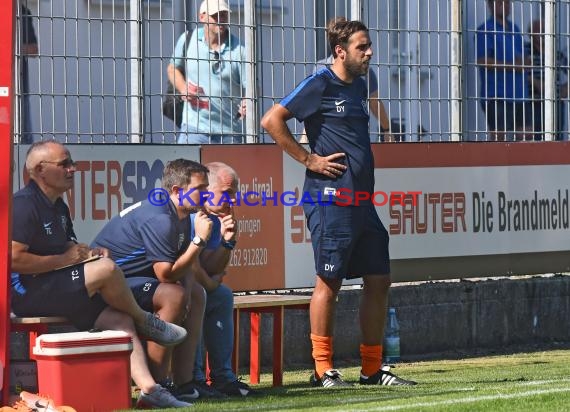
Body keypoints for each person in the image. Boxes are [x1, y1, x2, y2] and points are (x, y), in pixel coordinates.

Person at [260, 19, 417, 387]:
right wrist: (310, 160)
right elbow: (272, 120)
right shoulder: (319, 84)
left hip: (362, 200)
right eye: (362, 47)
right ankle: (322, 369)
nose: (370, 53)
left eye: (370, 45)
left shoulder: (360, 85)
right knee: (328, 282)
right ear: (340, 51)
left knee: (379, 280)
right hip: (331, 199)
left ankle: (371, 369)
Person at [10, 141, 191, 409]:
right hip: (28, 293)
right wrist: (67, 260)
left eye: (72, 163)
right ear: (40, 170)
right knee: (107, 271)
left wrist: (89, 252)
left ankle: (149, 389)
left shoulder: (58, 205)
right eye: (64, 164)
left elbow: (69, 247)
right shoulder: (25, 204)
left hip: (57, 287)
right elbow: (13, 259)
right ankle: (146, 321)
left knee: (120, 319)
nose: (73, 169)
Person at [91, 158, 214, 402]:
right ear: (178, 191)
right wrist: (199, 241)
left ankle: (185, 383)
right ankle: (157, 387)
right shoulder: (161, 219)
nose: (207, 195)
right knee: (174, 295)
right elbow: (165, 274)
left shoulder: (180, 213)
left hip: (134, 280)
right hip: (107, 287)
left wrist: (189, 292)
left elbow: (184, 266)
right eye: (200, 189)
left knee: (197, 294)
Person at [185, 162, 255, 398]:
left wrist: (228, 242)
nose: (233, 200)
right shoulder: (190, 216)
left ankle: (222, 377)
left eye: (234, 194)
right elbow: (193, 271)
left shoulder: (215, 219)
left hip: (189, 285)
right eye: (227, 193)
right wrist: (211, 282)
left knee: (222, 295)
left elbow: (211, 266)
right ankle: (193, 378)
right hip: (153, 286)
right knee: (200, 293)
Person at [302, 18, 394, 143]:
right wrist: (305, 146)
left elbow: (374, 102)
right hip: (326, 136)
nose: (369, 52)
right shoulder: (320, 68)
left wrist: (387, 130)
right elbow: (311, 105)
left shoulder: (364, 71)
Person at [168, 0, 247, 144]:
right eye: (215, 15)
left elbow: (252, 86)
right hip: (193, 128)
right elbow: (173, 68)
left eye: (224, 15)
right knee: (186, 166)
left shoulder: (240, 50)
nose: (221, 20)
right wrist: (183, 88)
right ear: (202, 17)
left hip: (229, 131)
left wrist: (247, 101)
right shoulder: (188, 39)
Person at [476, 0, 531, 141]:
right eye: (499, 2)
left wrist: (525, 63)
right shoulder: (486, 29)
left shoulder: (515, 29)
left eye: (507, 2)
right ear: (490, 5)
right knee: (499, 139)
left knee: (525, 137)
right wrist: (513, 65)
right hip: (497, 95)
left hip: (520, 94)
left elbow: (524, 59)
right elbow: (482, 61)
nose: (504, 5)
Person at [527, 18, 568, 141]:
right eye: (539, 29)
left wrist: (565, 89)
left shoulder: (557, 54)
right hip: (532, 102)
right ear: (531, 33)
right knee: (534, 140)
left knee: (556, 138)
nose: (543, 33)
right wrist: (536, 83)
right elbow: (517, 70)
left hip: (555, 103)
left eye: (545, 30)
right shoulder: (525, 50)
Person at [19, 4, 38, 144]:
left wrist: (9, 46)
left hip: (18, 89)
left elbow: (33, 49)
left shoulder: (21, 12)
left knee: (22, 134)